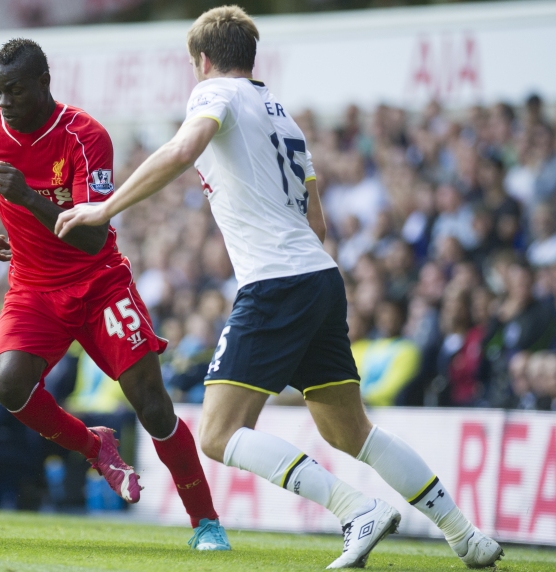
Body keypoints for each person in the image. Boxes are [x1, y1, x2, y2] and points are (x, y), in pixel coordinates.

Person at [56, 6, 501, 569]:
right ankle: (466, 535)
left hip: (274, 282)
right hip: (319, 275)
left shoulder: (214, 94)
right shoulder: (285, 118)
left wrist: (106, 207)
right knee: (351, 430)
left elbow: (182, 150)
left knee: (217, 432)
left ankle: (354, 508)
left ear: (205, 60)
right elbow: (316, 224)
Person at [0, 38, 228, 549]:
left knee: (152, 406)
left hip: (99, 283)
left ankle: (206, 523)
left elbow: (90, 236)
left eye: (15, 91)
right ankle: (95, 447)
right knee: (5, 382)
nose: (5, 103)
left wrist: (27, 197)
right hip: (33, 288)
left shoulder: (85, 137)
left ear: (44, 83)